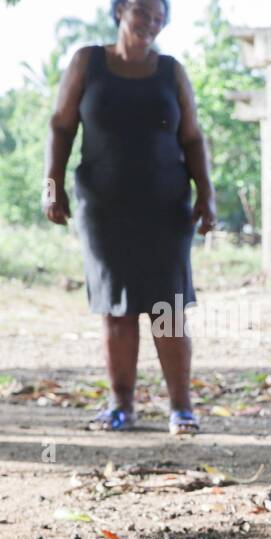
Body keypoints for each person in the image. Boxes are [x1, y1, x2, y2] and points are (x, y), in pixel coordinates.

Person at [43, 0, 217, 435]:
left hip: (165, 207)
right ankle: (121, 406)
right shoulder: (88, 61)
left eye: (159, 18)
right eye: (143, 13)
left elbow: (192, 136)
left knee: (168, 309)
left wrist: (206, 194)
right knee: (116, 310)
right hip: (104, 208)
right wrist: (53, 185)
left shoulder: (171, 71)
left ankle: (182, 409)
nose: (151, 24)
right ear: (121, 11)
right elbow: (61, 125)